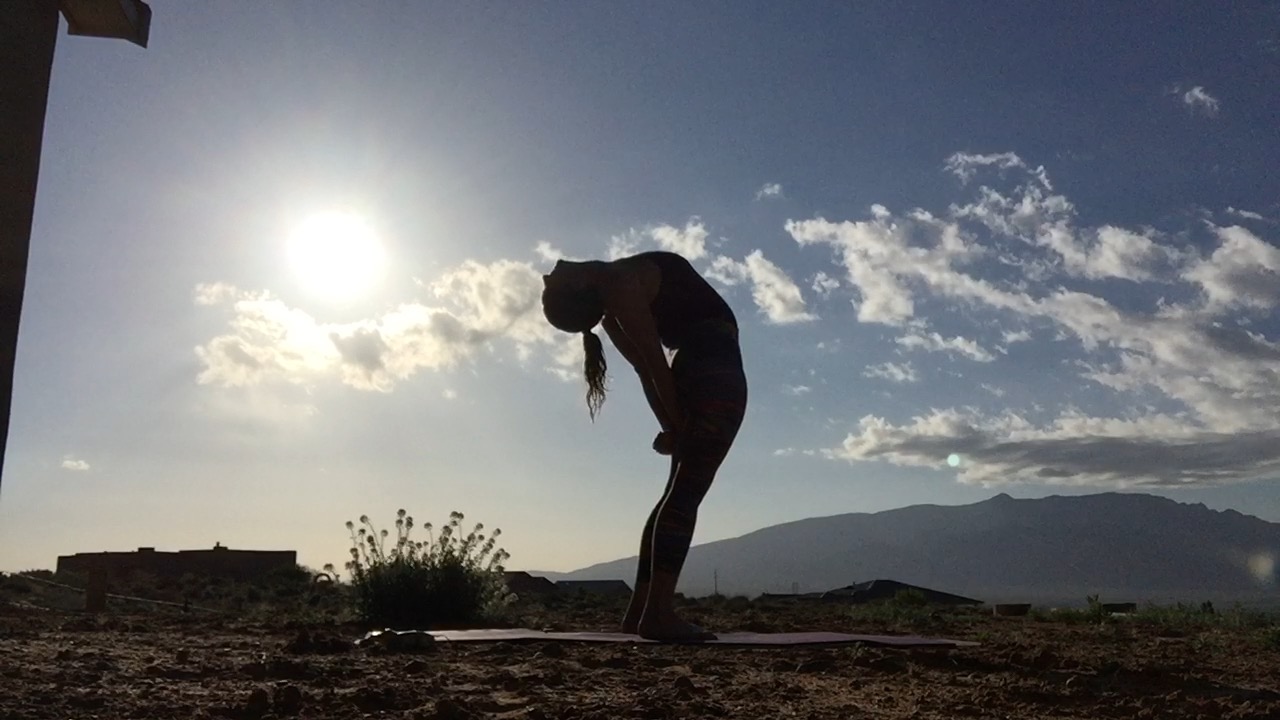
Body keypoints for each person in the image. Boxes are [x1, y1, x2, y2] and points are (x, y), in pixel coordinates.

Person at [541, 250, 748, 641]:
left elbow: (646, 369)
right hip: (713, 373)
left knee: (676, 492)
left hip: (696, 369)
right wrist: (678, 427)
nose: (546, 276)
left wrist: (673, 426)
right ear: (580, 285)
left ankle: (640, 613)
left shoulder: (613, 307)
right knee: (685, 494)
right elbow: (652, 365)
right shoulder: (621, 287)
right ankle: (658, 614)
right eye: (551, 285)